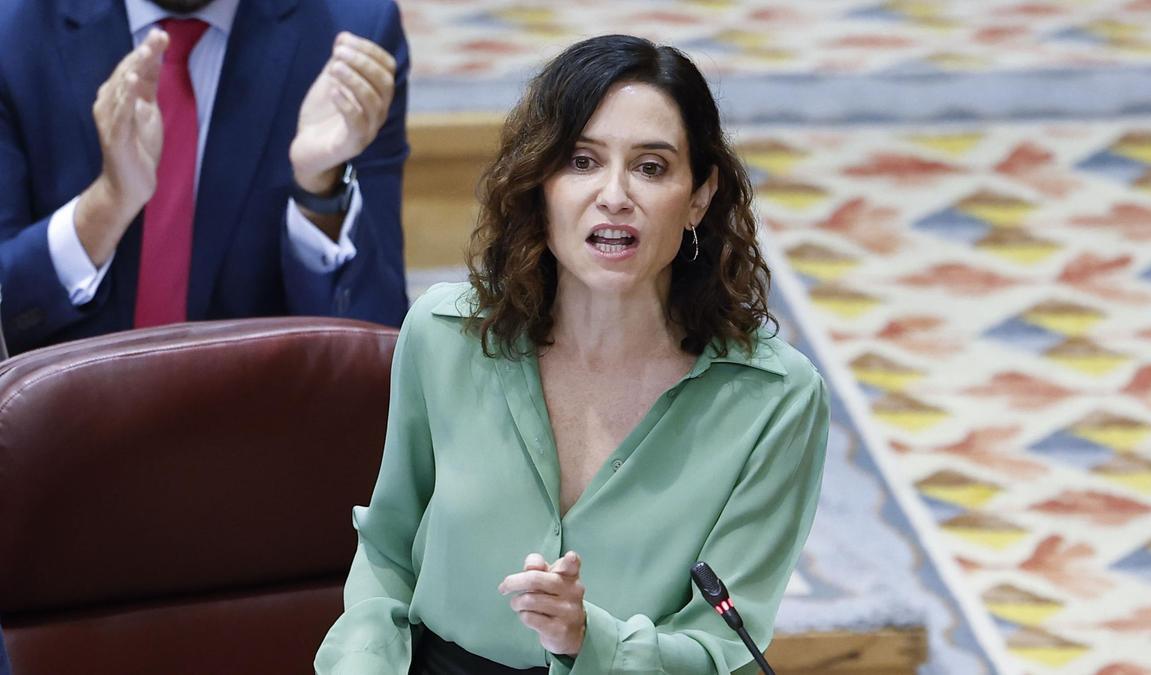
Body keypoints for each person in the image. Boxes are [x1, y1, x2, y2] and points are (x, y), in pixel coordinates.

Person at [315, 34, 829, 675]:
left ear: (699, 195)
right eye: (582, 161)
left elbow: (723, 644)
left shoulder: (776, 400)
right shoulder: (444, 338)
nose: (614, 194)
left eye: (651, 167)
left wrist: (591, 640)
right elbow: (387, 554)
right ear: (540, 182)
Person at [0, 0, 409, 354]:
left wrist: (320, 189)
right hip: (62, 425)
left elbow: (381, 342)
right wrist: (108, 204)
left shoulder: (351, 37)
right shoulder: (13, 31)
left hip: (256, 423)